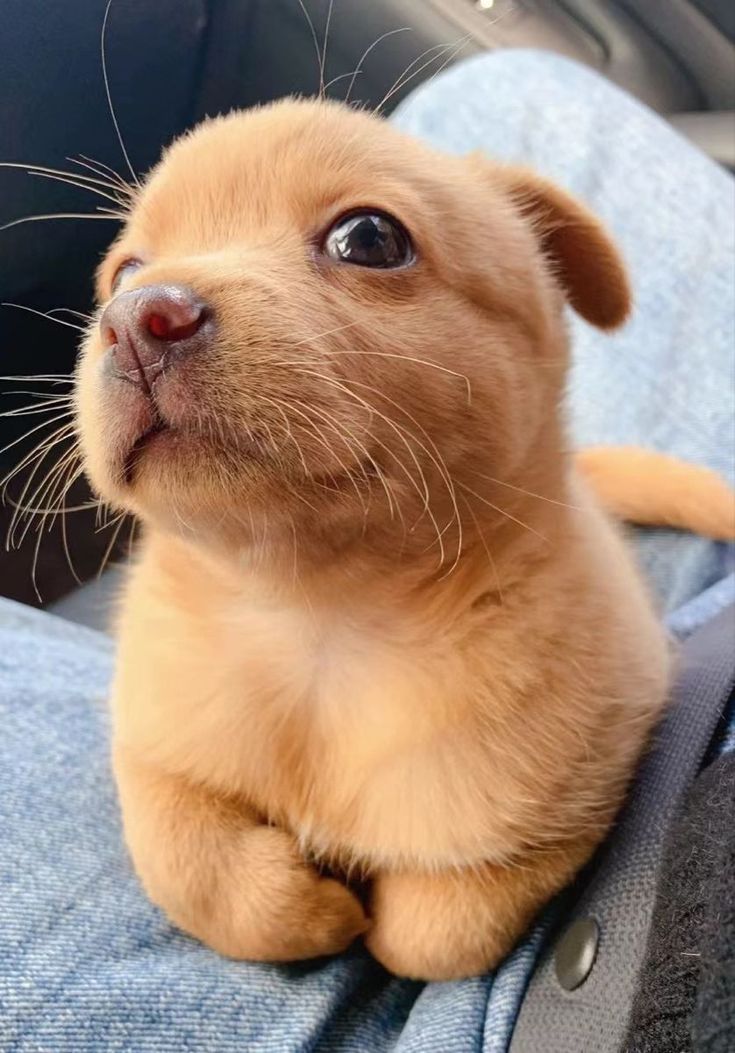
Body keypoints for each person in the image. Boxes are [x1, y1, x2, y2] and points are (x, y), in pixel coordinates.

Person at [1, 50, 733, 1052]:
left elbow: (553, 822)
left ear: (547, 325)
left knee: (438, 938)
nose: (147, 314)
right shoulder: (168, 686)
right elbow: (153, 765)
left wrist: (452, 924)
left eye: (365, 240)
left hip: (584, 996)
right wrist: (196, 869)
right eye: (129, 271)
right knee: (506, 81)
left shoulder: (576, 715)